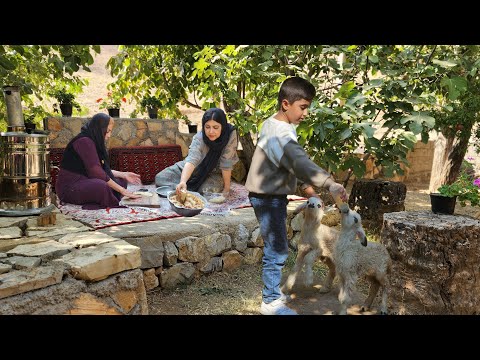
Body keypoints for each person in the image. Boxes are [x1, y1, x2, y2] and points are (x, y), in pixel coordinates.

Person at [245, 77, 348, 315]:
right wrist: (329, 183)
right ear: (285, 104)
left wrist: (309, 189)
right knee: (277, 248)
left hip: (271, 195)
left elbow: (290, 165)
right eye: (303, 107)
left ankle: (272, 294)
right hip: (267, 197)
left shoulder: (275, 124)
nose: (306, 113)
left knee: (277, 246)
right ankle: (270, 301)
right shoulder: (280, 133)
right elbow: (298, 161)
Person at [56, 113, 142, 210]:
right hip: (70, 188)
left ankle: (103, 197)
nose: (109, 135)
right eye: (107, 131)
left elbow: (101, 170)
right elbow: (96, 172)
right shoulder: (84, 142)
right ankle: (105, 198)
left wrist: (124, 174)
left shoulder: (93, 141)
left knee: (120, 181)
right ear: (99, 129)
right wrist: (122, 190)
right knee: (102, 187)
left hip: (86, 179)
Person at [155, 107, 239, 197]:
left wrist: (226, 189)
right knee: (161, 178)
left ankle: (187, 191)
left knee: (207, 191)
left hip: (213, 173)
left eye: (215, 127)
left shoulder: (230, 135)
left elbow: (226, 162)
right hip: (193, 169)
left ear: (223, 126)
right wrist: (183, 181)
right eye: (207, 127)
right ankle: (182, 188)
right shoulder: (199, 138)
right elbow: (191, 161)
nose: (211, 131)